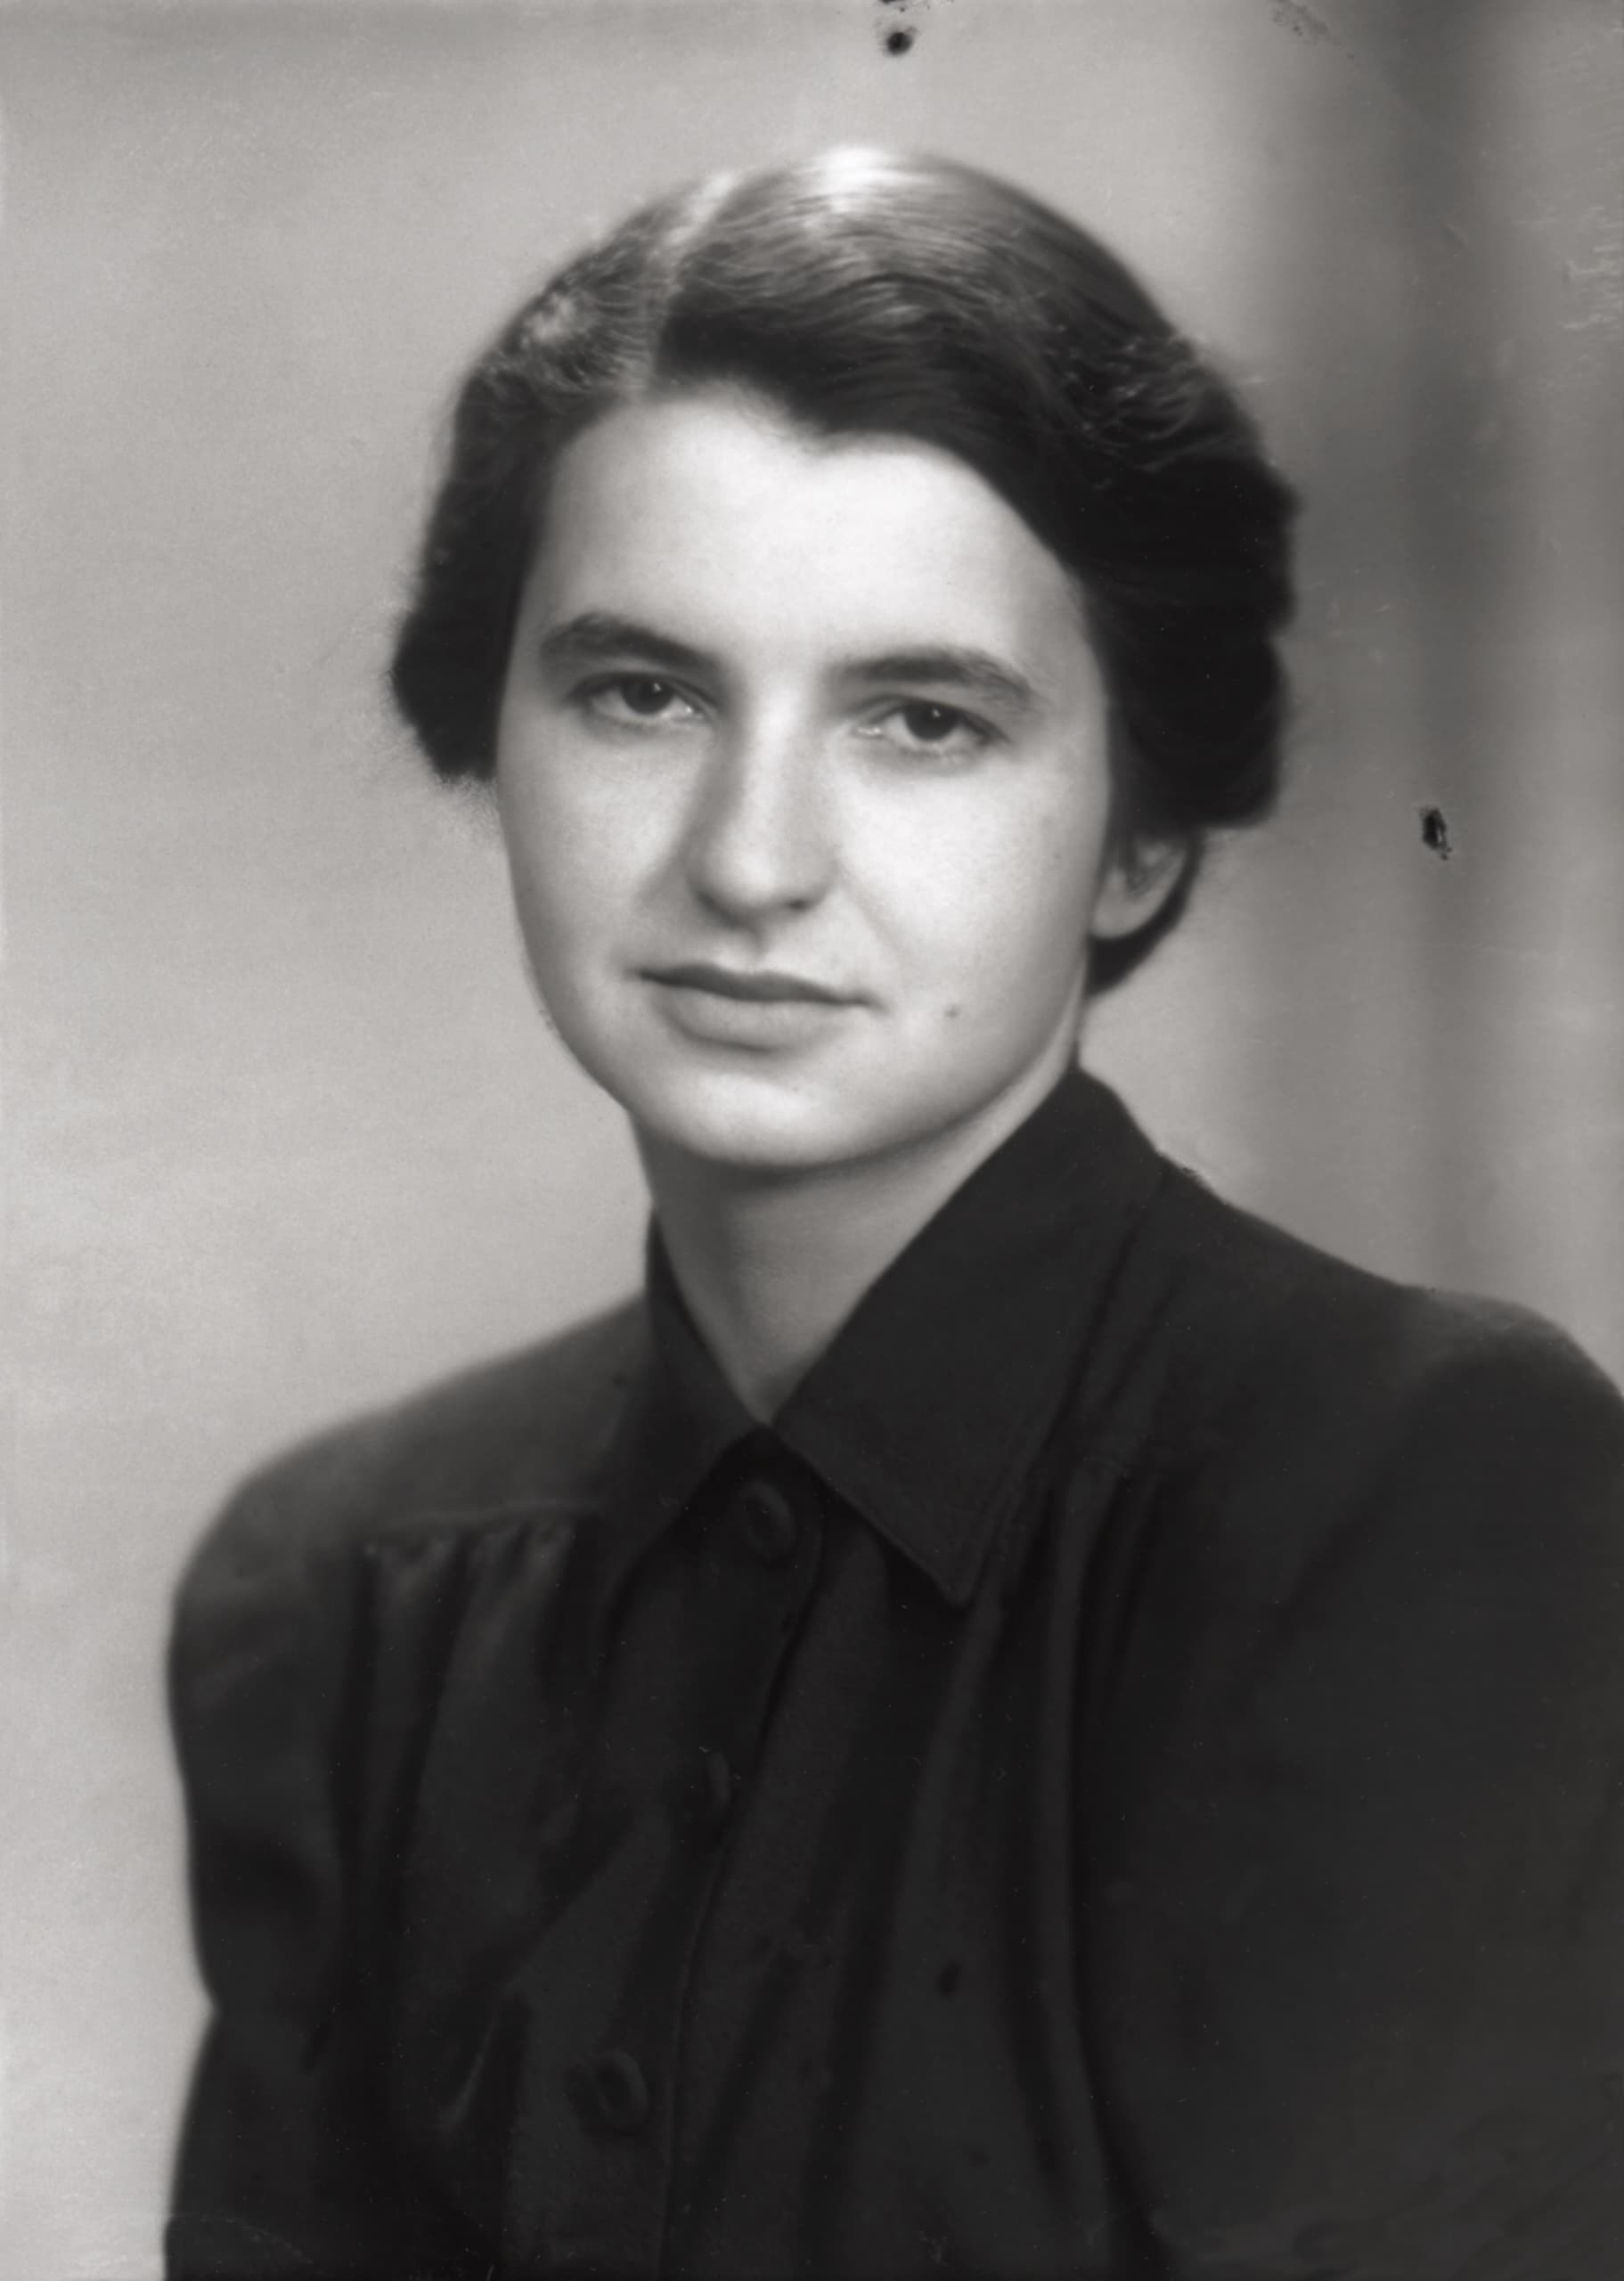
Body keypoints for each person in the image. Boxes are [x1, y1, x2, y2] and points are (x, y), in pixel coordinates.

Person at [164, 150, 1624, 2280]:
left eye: (923, 721)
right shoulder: (342, 1591)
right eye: (643, 692)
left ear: (1135, 838)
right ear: (490, 746)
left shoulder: (1405, 1488)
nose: (751, 858)